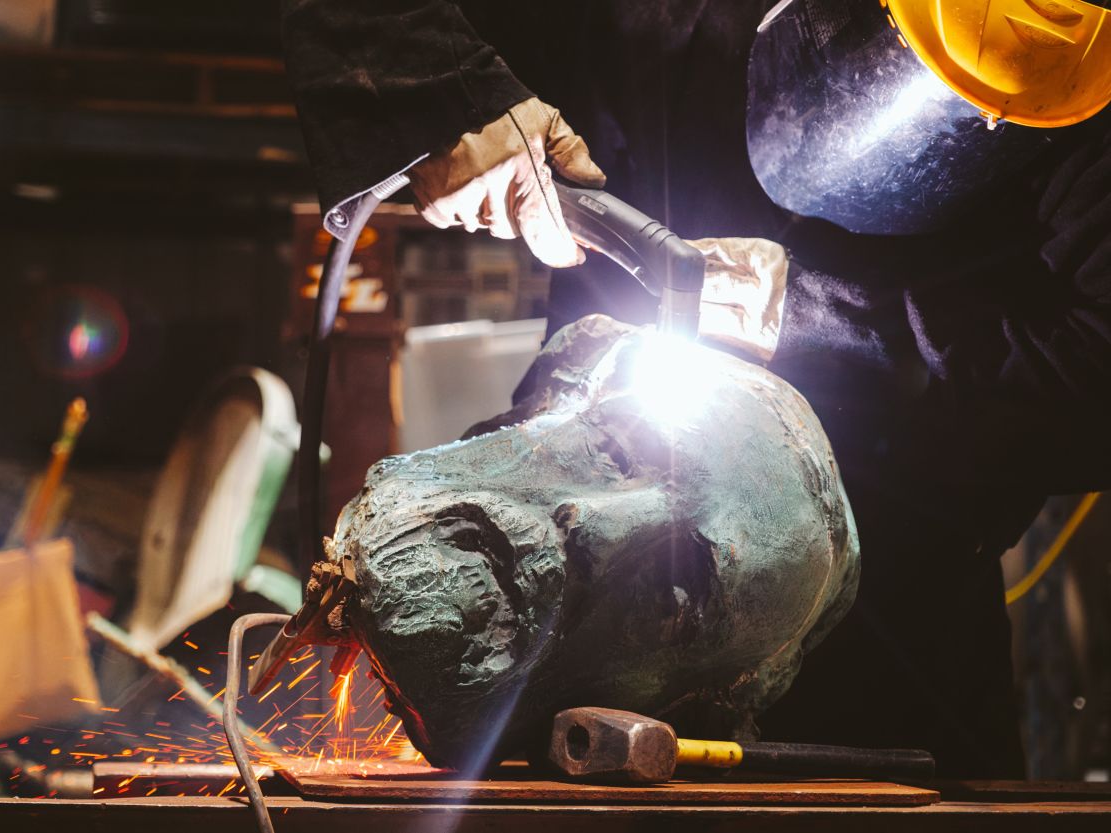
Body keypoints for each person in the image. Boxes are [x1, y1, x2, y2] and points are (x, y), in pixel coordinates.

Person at [279, 0, 1111, 777]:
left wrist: (821, 315)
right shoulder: (655, 27)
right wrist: (447, 96)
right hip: (585, 628)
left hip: (898, 638)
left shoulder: (1077, 81)